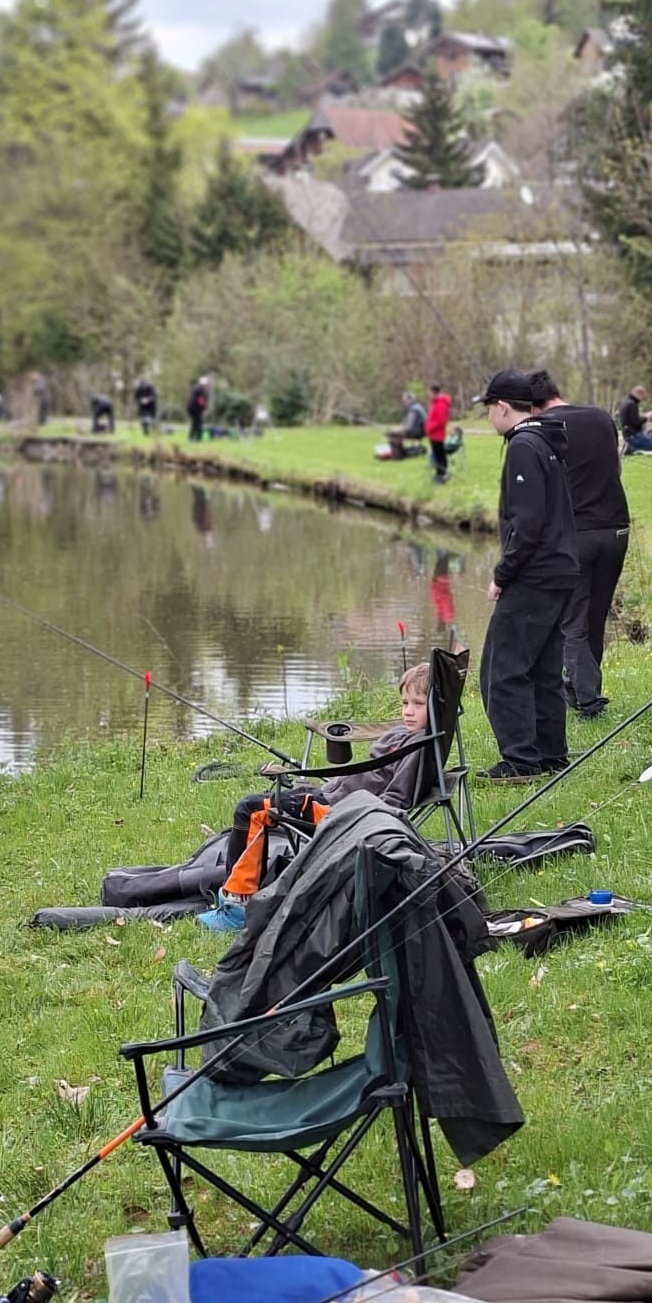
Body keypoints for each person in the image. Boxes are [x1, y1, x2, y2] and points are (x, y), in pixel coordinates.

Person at [198, 661, 433, 932]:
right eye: (404, 703)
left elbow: (395, 800)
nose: (408, 712)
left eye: (418, 704)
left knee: (252, 809)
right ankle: (242, 894)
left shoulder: (418, 746)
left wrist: (349, 809)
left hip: (342, 811)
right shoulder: (400, 734)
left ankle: (237, 907)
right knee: (264, 801)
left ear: (435, 707)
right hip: (333, 794)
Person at [475, 368, 578, 779]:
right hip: (561, 572)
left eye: (488, 410)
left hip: (535, 574)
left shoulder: (523, 446)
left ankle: (520, 760)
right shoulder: (546, 442)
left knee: (502, 669)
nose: (487, 419)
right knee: (543, 668)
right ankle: (550, 755)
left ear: (502, 406)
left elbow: (528, 522)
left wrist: (502, 573)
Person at [530, 368, 629, 722]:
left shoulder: (541, 429)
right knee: (595, 616)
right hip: (616, 529)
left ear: (533, 406)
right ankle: (579, 686)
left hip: (576, 535)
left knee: (572, 620)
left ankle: (587, 700)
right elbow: (616, 468)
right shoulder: (601, 417)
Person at [425, 383, 452, 484]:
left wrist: (430, 428)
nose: (428, 394)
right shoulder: (435, 403)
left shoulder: (441, 404)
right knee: (437, 455)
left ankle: (442, 474)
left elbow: (441, 421)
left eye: (429, 392)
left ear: (434, 392)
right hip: (433, 434)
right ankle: (438, 473)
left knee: (440, 455)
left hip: (437, 434)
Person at [187, 376, 210, 443]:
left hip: (191, 408)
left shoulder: (196, 388)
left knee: (195, 423)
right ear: (204, 384)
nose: (208, 386)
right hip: (195, 409)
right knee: (198, 423)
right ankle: (197, 438)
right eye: (207, 384)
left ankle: (194, 438)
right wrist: (204, 410)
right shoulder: (201, 390)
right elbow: (201, 401)